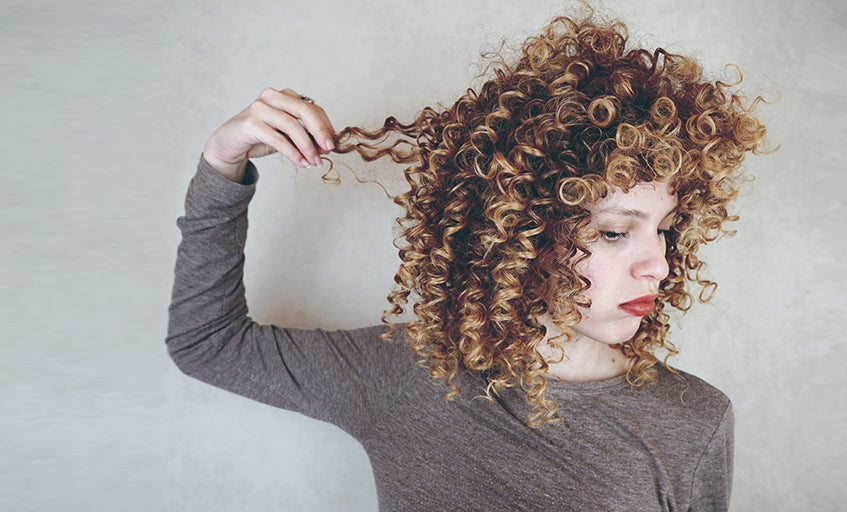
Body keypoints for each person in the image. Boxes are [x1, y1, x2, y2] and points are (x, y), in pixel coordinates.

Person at [167, 10, 767, 512]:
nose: (657, 267)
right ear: (521, 233)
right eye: (614, 233)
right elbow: (206, 342)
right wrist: (223, 161)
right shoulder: (407, 376)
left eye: (664, 230)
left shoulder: (694, 422)